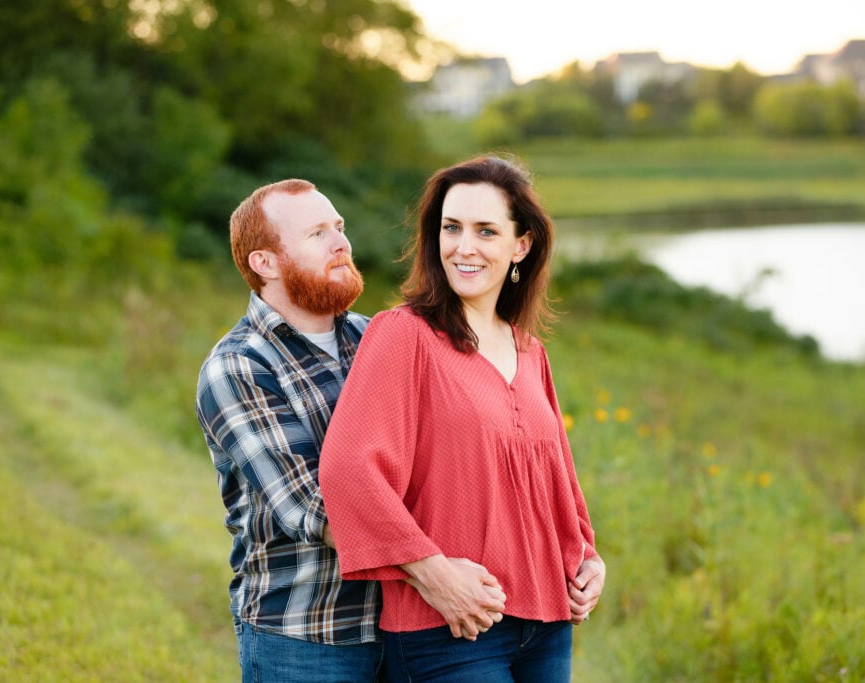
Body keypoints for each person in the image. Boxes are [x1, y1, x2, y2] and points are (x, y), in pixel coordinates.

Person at [319, 155, 605, 682]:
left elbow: (554, 476)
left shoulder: (529, 351)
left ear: (521, 245)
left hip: (546, 624)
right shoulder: (403, 335)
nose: (463, 247)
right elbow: (347, 471)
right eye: (451, 228)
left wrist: (586, 557)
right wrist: (434, 576)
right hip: (447, 631)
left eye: (486, 231)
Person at [195, 179, 382, 682]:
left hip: (404, 629)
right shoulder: (237, 366)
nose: (341, 242)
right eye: (317, 233)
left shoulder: (375, 340)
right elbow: (313, 509)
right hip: (304, 638)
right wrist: (437, 570)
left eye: (339, 228)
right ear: (266, 263)